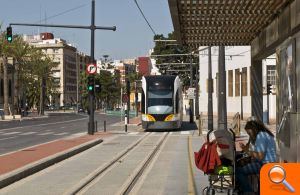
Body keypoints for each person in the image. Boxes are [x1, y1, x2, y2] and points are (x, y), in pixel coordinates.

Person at [236, 117, 277, 194]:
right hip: (267, 163)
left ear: (254, 129)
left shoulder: (261, 136)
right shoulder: (265, 134)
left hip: (265, 165)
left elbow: (260, 156)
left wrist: (248, 152)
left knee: (239, 171)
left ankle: (248, 191)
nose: (249, 135)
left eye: (249, 133)